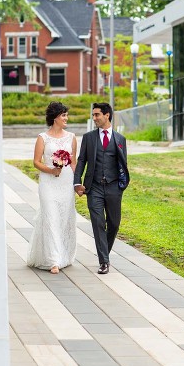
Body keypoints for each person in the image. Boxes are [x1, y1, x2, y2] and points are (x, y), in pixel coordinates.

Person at [73, 102, 130, 274]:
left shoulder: (120, 139)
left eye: (97, 114)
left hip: (114, 187)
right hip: (94, 187)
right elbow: (81, 160)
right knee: (98, 223)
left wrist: (122, 185)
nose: (94, 118)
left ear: (107, 115)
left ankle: (104, 252)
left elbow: (123, 164)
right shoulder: (89, 137)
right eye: (93, 115)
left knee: (114, 224)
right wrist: (77, 182)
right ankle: (104, 261)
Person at [27, 101, 78, 274]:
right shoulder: (43, 138)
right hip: (48, 183)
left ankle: (63, 254)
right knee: (50, 217)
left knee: (64, 218)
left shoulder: (71, 137)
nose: (66, 118)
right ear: (55, 117)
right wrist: (51, 170)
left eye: (66, 115)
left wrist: (77, 183)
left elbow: (73, 163)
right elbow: (36, 162)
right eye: (63, 115)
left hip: (66, 182)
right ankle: (53, 260)